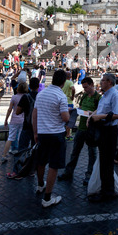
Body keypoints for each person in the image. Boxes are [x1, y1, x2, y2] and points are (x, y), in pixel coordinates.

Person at [32, 69, 70, 208]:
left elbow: (34, 115)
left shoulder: (41, 94)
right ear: (63, 81)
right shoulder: (61, 96)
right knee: (54, 165)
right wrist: (69, 113)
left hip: (42, 133)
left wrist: (35, 133)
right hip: (56, 134)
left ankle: (40, 184)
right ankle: (47, 198)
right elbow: (65, 118)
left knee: (41, 161)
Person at [87, 73, 118, 202]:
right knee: (103, 161)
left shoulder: (115, 95)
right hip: (103, 130)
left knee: (107, 162)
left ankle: (108, 192)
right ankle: (105, 189)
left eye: (102, 80)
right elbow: (100, 109)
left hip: (109, 131)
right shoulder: (105, 95)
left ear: (109, 82)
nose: (100, 82)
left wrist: (100, 117)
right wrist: (93, 116)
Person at [58, 77, 101, 184]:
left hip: (91, 129)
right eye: (83, 87)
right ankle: (68, 172)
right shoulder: (85, 96)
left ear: (92, 85)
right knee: (75, 152)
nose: (85, 89)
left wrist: (93, 113)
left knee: (92, 154)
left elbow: (100, 113)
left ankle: (89, 175)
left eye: (86, 87)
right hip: (81, 128)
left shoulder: (98, 98)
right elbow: (81, 108)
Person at [6, 77, 40, 179]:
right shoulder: (40, 96)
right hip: (38, 127)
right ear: (38, 86)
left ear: (30, 86)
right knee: (35, 150)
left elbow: (17, 112)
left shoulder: (26, 97)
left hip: (27, 126)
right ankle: (32, 171)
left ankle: (18, 172)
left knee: (22, 150)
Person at [1, 82, 27, 163]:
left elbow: (9, 109)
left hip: (14, 120)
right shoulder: (26, 97)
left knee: (10, 137)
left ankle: (4, 155)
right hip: (23, 120)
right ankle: (21, 155)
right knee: (20, 138)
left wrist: (6, 120)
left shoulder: (14, 97)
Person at [62, 71, 75, 140]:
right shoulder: (70, 82)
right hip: (69, 101)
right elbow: (73, 88)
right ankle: (68, 135)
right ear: (70, 76)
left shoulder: (62, 82)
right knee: (69, 119)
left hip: (62, 101)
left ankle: (63, 133)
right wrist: (72, 96)